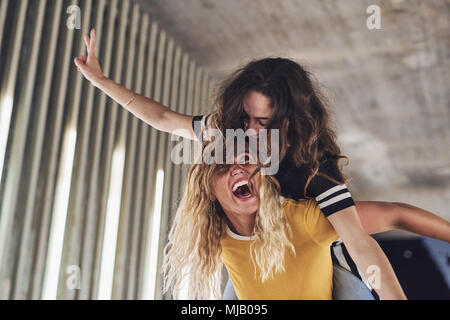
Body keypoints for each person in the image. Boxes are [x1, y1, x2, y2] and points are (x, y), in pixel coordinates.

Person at [74, 29, 450, 299]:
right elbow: (163, 118)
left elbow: (362, 244)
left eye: (264, 123)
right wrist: (101, 80)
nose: (250, 133)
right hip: (253, 258)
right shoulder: (231, 133)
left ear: (289, 122)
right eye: (245, 117)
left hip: (308, 252)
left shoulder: (315, 171)